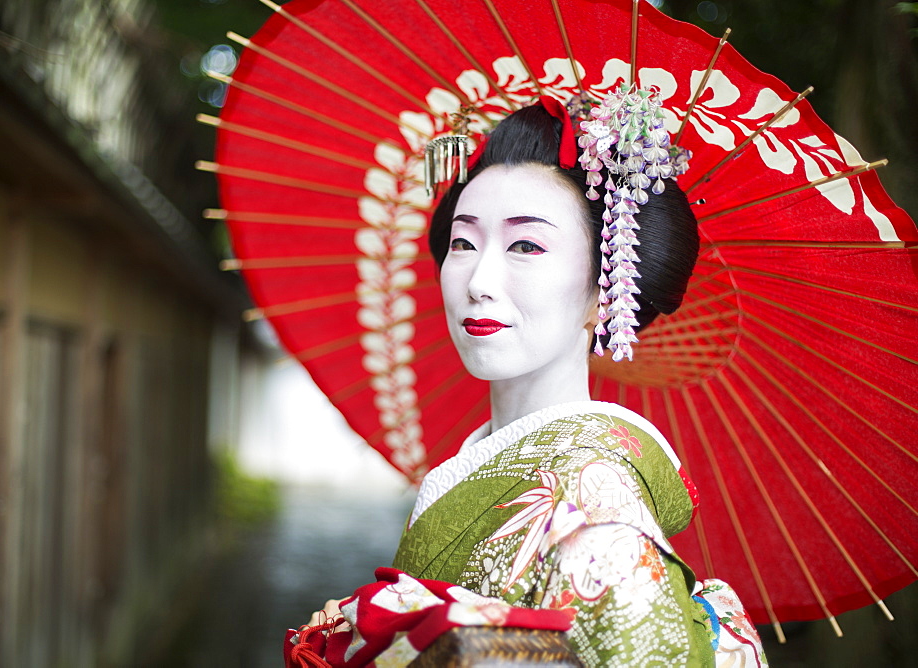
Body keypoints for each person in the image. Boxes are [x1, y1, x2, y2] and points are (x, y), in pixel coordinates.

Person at [305, 99, 768, 667]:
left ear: (604, 294)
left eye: (526, 245)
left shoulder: (599, 495)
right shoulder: (481, 461)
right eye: (462, 243)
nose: (479, 280)